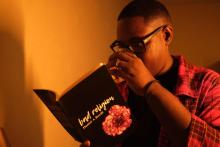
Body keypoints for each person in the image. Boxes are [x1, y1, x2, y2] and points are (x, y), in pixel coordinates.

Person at [82, 0, 220, 146]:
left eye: (137, 44)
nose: (129, 55)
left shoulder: (208, 84)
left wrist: (149, 86)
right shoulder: (120, 89)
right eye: (122, 46)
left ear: (166, 35)